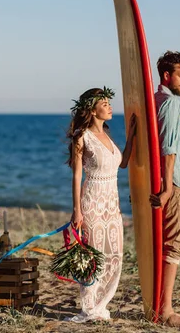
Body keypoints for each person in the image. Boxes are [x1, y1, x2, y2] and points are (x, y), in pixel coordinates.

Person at [65, 86, 136, 323]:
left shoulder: (107, 136)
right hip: (92, 201)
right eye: (104, 103)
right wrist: (77, 210)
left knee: (114, 254)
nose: (109, 106)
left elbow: (122, 163)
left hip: (112, 204)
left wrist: (133, 136)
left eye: (108, 102)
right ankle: (89, 307)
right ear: (92, 111)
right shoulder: (81, 137)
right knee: (94, 256)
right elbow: (76, 176)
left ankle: (101, 304)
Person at [150, 51, 180, 328]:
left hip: (163, 180)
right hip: (174, 182)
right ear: (167, 75)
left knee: (161, 243)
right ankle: (165, 311)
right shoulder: (171, 103)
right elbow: (169, 150)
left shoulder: (153, 100)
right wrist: (166, 188)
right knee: (174, 245)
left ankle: (159, 305)